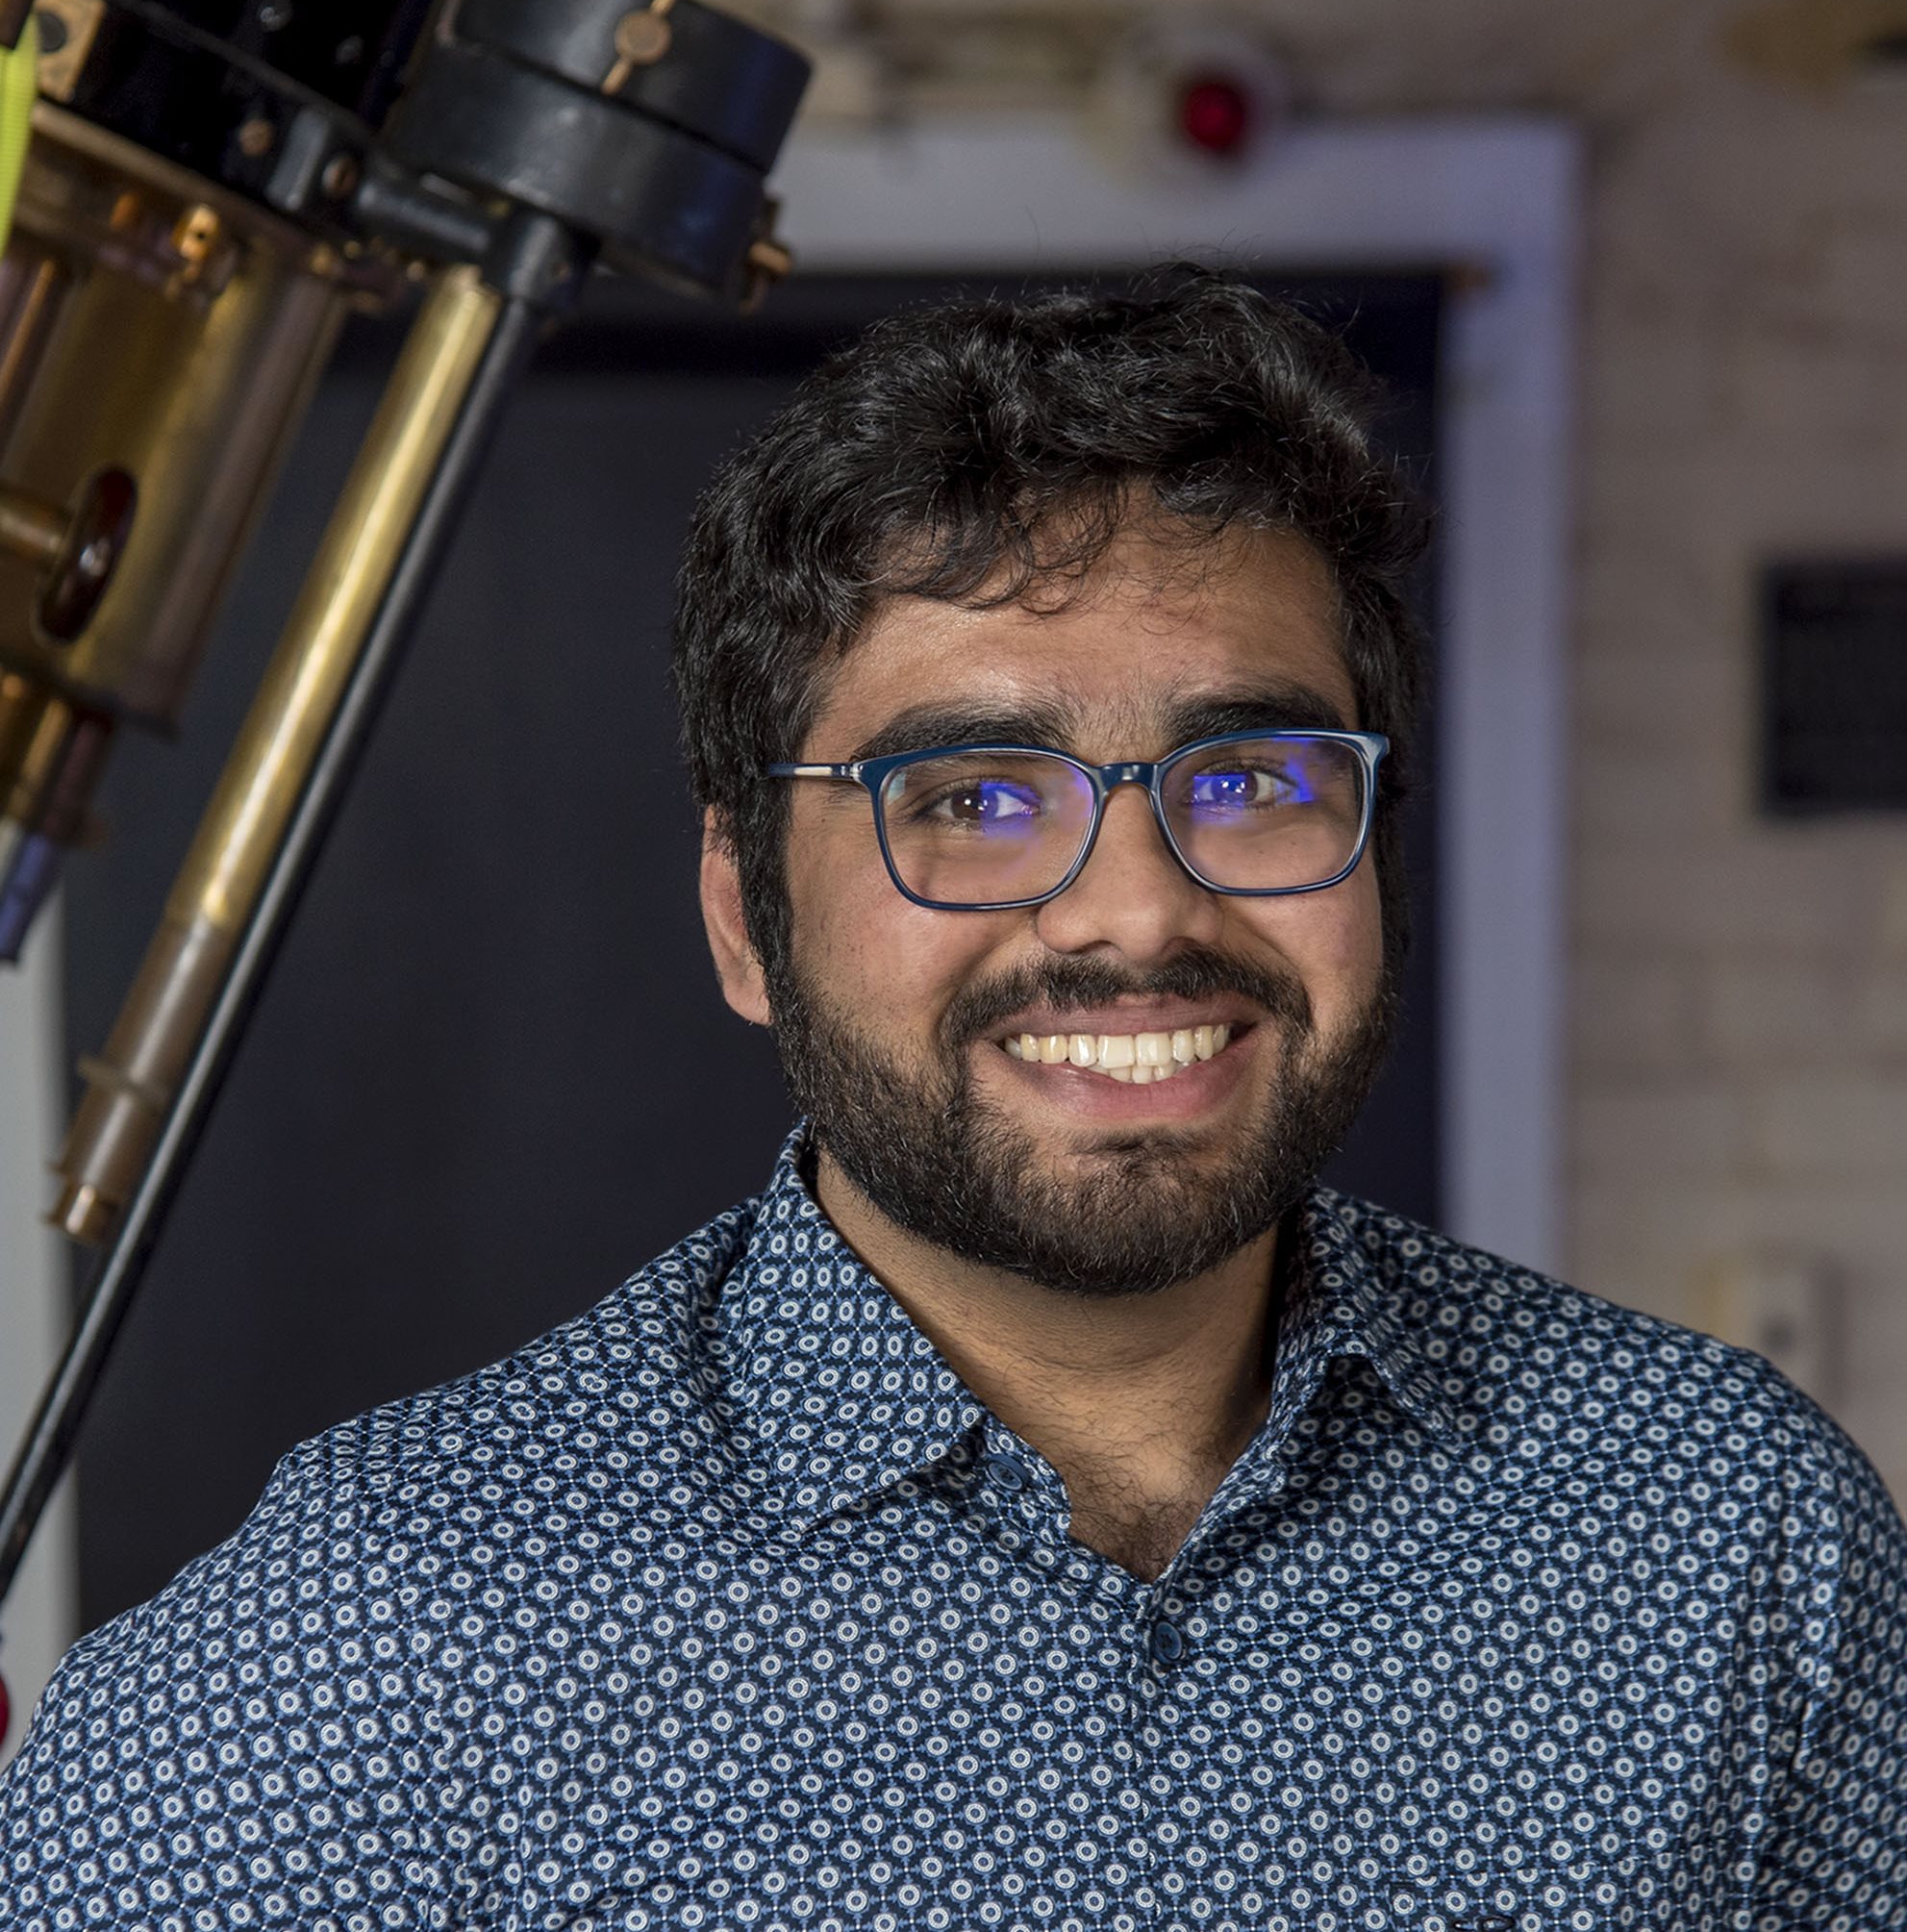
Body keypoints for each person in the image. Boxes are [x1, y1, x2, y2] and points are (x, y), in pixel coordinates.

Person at [2, 272, 1902, 1932]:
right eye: (972, 802)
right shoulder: (381, 1635)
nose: (1141, 909)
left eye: (1246, 781)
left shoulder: (1718, 1522)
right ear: (745, 918)